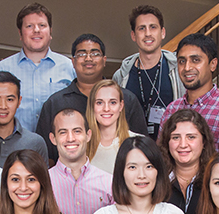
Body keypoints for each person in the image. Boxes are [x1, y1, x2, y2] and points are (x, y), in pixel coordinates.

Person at [35, 33, 147, 162]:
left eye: (95, 54)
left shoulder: (127, 99)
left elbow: (141, 147)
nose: (88, 58)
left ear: (104, 60)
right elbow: (46, 155)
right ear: (73, 61)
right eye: (82, 54)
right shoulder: (55, 103)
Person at [0, 2, 76, 132]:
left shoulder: (70, 67)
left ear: (50, 31)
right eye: (29, 26)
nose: (36, 30)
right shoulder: (1, 69)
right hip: (16, 149)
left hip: (59, 149)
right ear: (20, 33)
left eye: (42, 25)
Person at [161, 34, 219, 155]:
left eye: (195, 60)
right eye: (182, 61)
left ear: (213, 64)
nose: (187, 67)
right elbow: (161, 157)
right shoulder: (171, 109)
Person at [112, 5, 185, 139]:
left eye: (153, 27)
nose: (147, 33)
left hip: (170, 150)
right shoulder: (121, 75)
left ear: (162, 32)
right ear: (133, 35)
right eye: (141, 28)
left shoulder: (178, 70)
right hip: (132, 150)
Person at [159, 108, 215, 214]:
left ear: (204, 142)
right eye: (176, 137)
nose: (183, 144)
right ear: (167, 142)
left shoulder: (215, 180)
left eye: (191, 137)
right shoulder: (155, 179)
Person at [0, 71, 49, 166]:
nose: (3, 106)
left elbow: (42, 180)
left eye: (10, 100)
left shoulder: (35, 142)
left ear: (19, 101)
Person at [86, 79, 142, 174]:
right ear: (92, 106)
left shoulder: (138, 143)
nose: (106, 109)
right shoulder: (81, 145)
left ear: (121, 106)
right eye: (99, 103)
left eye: (113, 102)